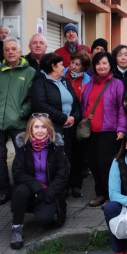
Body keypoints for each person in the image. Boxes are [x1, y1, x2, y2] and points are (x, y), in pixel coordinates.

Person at [0, 38, 35, 205]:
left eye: (14, 49)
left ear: (20, 52)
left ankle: (21, 188)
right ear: (3, 53)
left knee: (22, 157)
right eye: (7, 49)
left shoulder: (30, 72)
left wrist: (23, 111)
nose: (11, 52)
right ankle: (4, 191)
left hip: (19, 122)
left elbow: (32, 98)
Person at [9, 116, 70, 249]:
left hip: (49, 190)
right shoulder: (23, 147)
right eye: (36, 127)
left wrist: (49, 192)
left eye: (44, 127)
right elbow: (17, 172)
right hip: (31, 189)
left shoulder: (56, 147)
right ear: (30, 130)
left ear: (49, 130)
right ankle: (16, 229)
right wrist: (36, 186)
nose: (40, 130)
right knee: (20, 190)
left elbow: (63, 174)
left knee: (44, 220)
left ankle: (48, 206)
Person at [30, 52, 81, 195]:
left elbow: (76, 103)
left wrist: (73, 117)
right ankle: (57, 189)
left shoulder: (65, 81)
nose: (64, 67)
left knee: (71, 157)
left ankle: (71, 186)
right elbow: (40, 105)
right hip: (52, 128)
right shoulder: (39, 83)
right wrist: (63, 118)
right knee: (56, 160)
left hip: (70, 127)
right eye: (60, 65)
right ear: (53, 66)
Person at [81, 51, 126, 207]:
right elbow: (84, 106)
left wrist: (121, 128)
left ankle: (110, 194)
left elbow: (121, 108)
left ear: (110, 65)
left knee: (106, 164)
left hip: (109, 130)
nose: (101, 66)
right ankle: (99, 193)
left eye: (104, 63)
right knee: (93, 163)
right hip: (91, 132)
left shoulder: (117, 84)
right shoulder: (89, 85)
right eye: (98, 63)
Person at [63, 49, 91, 196]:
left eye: (77, 64)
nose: (73, 66)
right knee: (63, 154)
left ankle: (76, 185)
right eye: (72, 63)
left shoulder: (87, 80)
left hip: (79, 119)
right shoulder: (62, 74)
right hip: (63, 118)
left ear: (83, 67)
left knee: (77, 154)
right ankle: (64, 183)